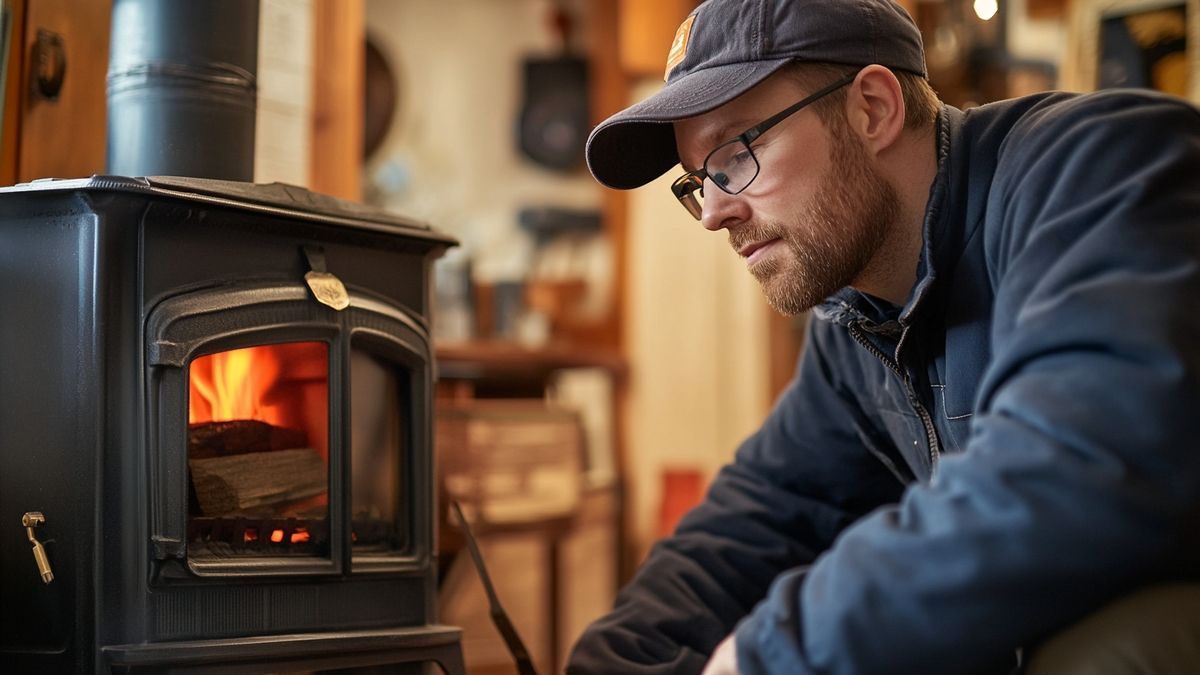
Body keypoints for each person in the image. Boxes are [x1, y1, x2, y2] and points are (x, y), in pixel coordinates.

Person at [566, 0, 1200, 673]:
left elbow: (1082, 471)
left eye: (736, 152)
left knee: (1111, 648)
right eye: (698, 180)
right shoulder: (856, 316)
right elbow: (768, 514)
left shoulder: (1102, 169)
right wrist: (618, 658)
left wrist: (766, 655)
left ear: (871, 107)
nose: (714, 212)